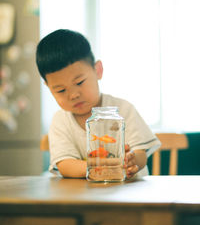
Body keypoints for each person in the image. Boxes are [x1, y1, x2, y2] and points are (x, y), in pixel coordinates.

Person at [36, 29, 161, 179]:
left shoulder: (123, 109)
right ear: (49, 88)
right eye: (61, 90)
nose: (73, 95)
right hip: (85, 197)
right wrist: (105, 165)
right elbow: (65, 164)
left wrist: (133, 160)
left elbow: (141, 153)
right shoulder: (60, 120)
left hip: (128, 193)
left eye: (79, 82)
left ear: (98, 70)